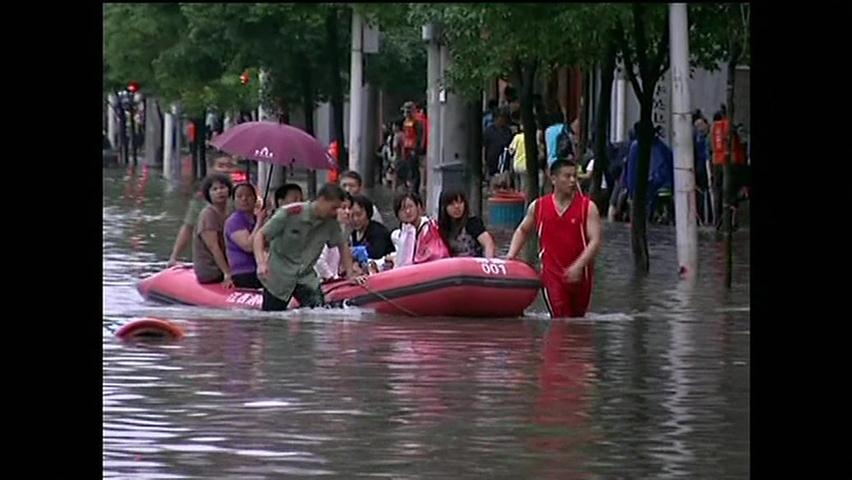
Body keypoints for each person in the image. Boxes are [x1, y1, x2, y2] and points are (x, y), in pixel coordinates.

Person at [506, 159, 603, 318]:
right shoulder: (538, 206)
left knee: (577, 321)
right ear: (553, 179)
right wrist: (511, 255)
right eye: (567, 176)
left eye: (575, 177)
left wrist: (578, 266)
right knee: (561, 320)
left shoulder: (588, 207)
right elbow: (523, 231)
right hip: (552, 276)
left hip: (582, 276)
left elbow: (595, 241)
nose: (572, 181)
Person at [253, 183, 358, 311]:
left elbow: (342, 245)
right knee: (273, 318)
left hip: (306, 277)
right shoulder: (290, 213)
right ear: (322, 200)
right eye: (333, 207)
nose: (336, 212)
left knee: (319, 314)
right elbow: (261, 236)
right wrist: (261, 263)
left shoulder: (331, 222)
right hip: (279, 275)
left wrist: (350, 274)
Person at [168, 156, 239, 267]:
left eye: (229, 166)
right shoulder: (201, 199)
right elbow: (188, 227)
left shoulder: (239, 195)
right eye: (221, 166)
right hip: (212, 252)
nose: (225, 170)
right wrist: (174, 257)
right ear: (212, 168)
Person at [193, 173, 235, 287]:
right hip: (211, 269)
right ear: (208, 194)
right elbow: (214, 247)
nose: (219, 192)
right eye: (214, 189)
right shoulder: (208, 215)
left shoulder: (231, 212)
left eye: (222, 188)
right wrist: (227, 273)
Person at [389, 192, 448, 268]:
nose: (408, 211)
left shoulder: (430, 227)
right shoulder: (397, 235)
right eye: (402, 209)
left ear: (418, 207)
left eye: (410, 206)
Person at [224, 183, 267, 289]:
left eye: (248, 196)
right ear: (234, 200)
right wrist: (260, 222)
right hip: (244, 272)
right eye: (239, 196)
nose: (244, 199)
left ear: (255, 199)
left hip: (261, 269)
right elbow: (248, 246)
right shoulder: (234, 221)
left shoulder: (256, 219)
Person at [438, 189, 496, 258]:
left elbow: (488, 243)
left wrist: (488, 262)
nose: (457, 207)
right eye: (452, 204)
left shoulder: (473, 223)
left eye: (460, 202)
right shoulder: (440, 227)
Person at [349, 195, 395, 272]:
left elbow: (376, 256)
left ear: (368, 213)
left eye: (359, 215)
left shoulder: (378, 232)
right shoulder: (353, 233)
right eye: (351, 216)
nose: (355, 219)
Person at [315, 192, 353, 281]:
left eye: (349, 208)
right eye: (343, 208)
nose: (347, 212)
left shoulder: (344, 233)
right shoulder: (324, 232)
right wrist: (331, 277)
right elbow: (319, 261)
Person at [400, 101, 425, 193]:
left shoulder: (417, 121)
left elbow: (420, 135)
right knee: (409, 169)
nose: (406, 113)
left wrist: (418, 147)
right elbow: (405, 135)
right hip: (407, 147)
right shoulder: (406, 121)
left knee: (414, 170)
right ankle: (410, 187)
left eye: (408, 110)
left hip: (414, 148)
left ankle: (414, 190)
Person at [483, 108, 515, 178]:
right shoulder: (489, 131)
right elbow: (484, 146)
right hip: (491, 162)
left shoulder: (508, 131)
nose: (503, 120)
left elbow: (511, 147)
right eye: (501, 118)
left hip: (504, 163)